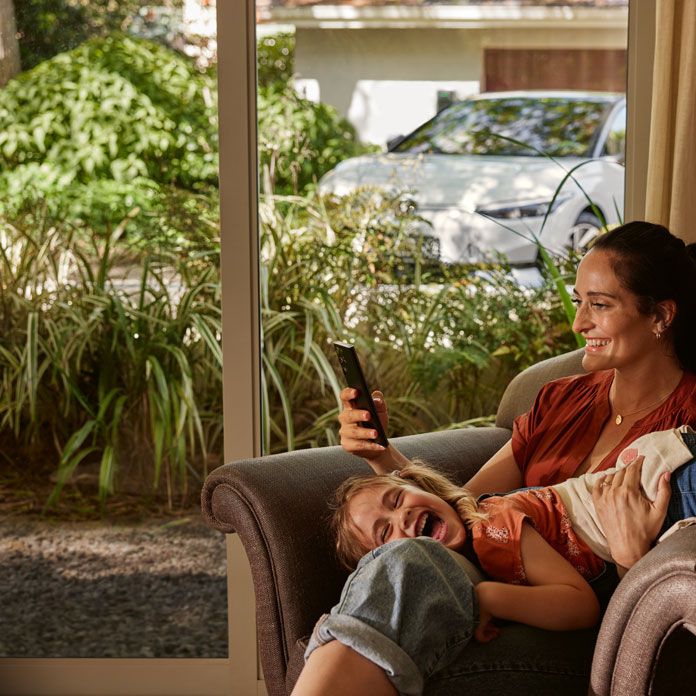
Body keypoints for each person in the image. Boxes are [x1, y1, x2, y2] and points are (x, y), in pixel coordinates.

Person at [292, 221, 696, 696]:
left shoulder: (686, 426)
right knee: (406, 560)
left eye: (599, 305)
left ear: (660, 316)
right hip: (495, 579)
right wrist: (383, 457)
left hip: (594, 622)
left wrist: (632, 560)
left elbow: (640, 596)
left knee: (407, 566)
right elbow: (472, 505)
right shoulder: (561, 400)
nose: (578, 323)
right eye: (579, 299)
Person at [330, 425, 696, 640]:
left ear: (426, 488)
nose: (403, 517)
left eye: (397, 499)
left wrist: (487, 599)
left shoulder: (490, 527)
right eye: (385, 531)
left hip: (668, 486)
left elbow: (580, 605)